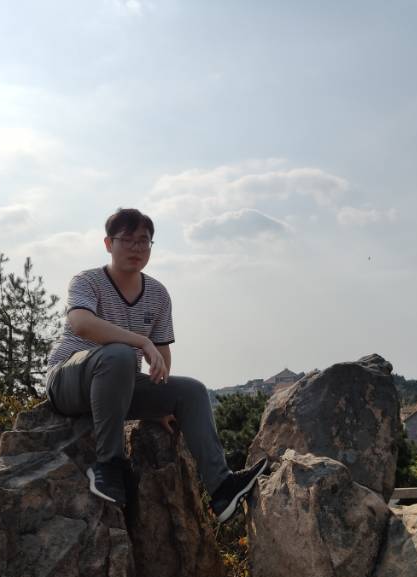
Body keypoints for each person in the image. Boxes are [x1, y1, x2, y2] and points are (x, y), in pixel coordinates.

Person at [45, 208, 267, 523]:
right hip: (70, 382)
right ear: (108, 244)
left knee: (192, 391)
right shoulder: (87, 281)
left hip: (118, 387)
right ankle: (109, 465)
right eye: (127, 240)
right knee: (120, 354)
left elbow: (162, 355)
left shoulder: (158, 294)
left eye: (144, 241)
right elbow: (81, 324)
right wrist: (141, 341)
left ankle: (221, 488)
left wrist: (160, 403)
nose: (136, 248)